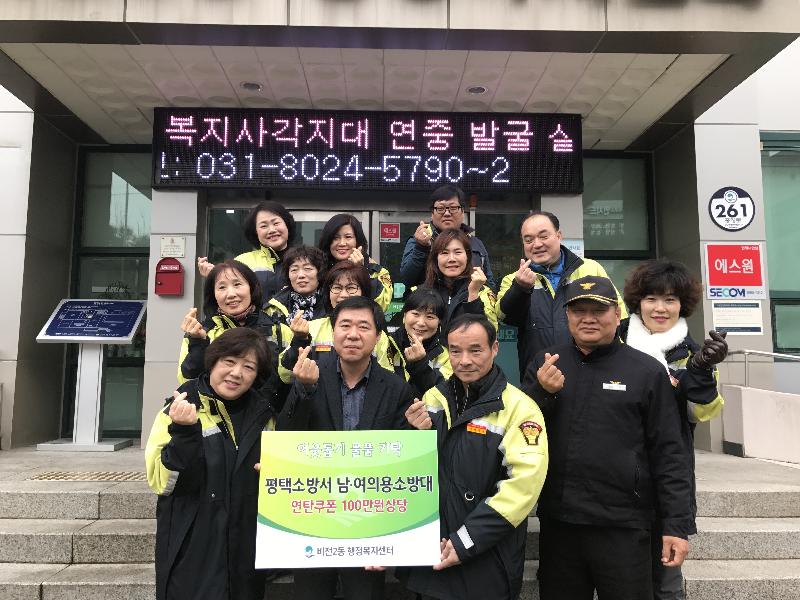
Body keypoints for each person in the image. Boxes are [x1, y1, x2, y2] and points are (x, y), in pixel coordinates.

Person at [521, 275, 693, 600]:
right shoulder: (546, 365)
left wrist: (676, 525)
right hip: (561, 523)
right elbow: (522, 434)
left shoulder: (646, 371)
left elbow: (670, 454)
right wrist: (542, 393)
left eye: (598, 310)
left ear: (617, 314)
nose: (588, 318)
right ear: (567, 315)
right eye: (578, 310)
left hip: (624, 526)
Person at [277, 295, 415, 600]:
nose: (353, 334)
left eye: (364, 327)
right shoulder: (311, 373)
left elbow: (403, 462)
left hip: (368, 519)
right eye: (345, 325)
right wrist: (303, 389)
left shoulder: (396, 388)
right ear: (333, 331)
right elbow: (286, 437)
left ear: (378, 337)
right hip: (314, 514)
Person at [403, 313, 548, 600]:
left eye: (475, 350)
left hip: (487, 557)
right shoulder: (433, 398)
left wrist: (466, 540)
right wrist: (413, 434)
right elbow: (414, 474)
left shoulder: (520, 409)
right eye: (455, 351)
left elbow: (522, 486)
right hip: (432, 553)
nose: (464, 360)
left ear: (495, 348)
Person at [622, 259, 728, 600]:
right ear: (638, 301)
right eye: (652, 298)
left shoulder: (695, 352)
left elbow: (701, 413)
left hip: (667, 474)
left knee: (667, 583)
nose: (660, 308)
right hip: (617, 473)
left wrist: (700, 373)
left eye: (670, 299)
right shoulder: (616, 338)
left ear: (683, 304)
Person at [146, 327, 275, 600]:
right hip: (192, 550)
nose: (237, 373)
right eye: (229, 362)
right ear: (213, 362)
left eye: (249, 367)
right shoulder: (181, 407)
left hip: (245, 551)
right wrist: (184, 433)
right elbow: (162, 482)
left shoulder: (264, 414)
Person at [496, 211, 627, 375]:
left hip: (595, 371)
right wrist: (520, 289)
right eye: (528, 240)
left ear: (559, 236)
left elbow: (620, 318)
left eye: (543, 236)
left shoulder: (590, 268)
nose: (537, 244)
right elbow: (504, 318)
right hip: (540, 374)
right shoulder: (514, 279)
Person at [177, 260, 287, 408]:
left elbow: (289, 380)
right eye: (222, 287)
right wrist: (198, 343)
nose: (231, 294)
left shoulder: (279, 330)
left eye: (237, 284)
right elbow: (187, 381)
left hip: (267, 415)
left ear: (252, 288)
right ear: (213, 294)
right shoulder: (201, 332)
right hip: (216, 416)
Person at [277, 261, 394, 383]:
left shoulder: (376, 333)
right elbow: (285, 375)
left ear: (364, 292)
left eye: (351, 288)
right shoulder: (310, 329)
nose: (343, 295)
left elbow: (386, 381)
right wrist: (300, 340)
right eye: (337, 288)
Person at [198, 200, 296, 303]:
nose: (271, 230)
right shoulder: (241, 262)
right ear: (255, 232)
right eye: (263, 226)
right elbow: (228, 298)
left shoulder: (303, 259)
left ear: (287, 225)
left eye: (276, 223)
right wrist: (215, 278)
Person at [400, 185, 495, 290]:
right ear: (432, 213)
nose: (447, 213)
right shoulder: (418, 241)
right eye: (440, 209)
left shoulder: (476, 243)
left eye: (453, 208)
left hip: (469, 300)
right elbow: (407, 280)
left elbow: (489, 283)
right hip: (427, 300)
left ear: (462, 212)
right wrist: (421, 247)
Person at [422, 228, 497, 331]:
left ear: (468, 256)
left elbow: (488, 335)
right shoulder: (421, 292)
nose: (451, 259)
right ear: (435, 258)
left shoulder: (483, 293)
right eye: (444, 253)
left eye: (457, 252)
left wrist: (473, 295)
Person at [318, 213, 393, 311]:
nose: (342, 243)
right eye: (335, 238)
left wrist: (361, 272)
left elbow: (380, 307)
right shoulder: (317, 269)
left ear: (358, 241)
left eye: (348, 237)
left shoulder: (378, 272)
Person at [386, 286, 452, 396]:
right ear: (404, 315)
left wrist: (420, 364)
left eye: (430, 317)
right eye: (416, 314)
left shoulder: (446, 355)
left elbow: (444, 394)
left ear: (439, 322)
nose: (421, 323)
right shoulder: (386, 344)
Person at [264, 245, 328, 326]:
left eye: (307, 269)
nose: (301, 275)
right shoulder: (274, 308)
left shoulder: (331, 304)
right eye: (294, 270)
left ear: (320, 272)